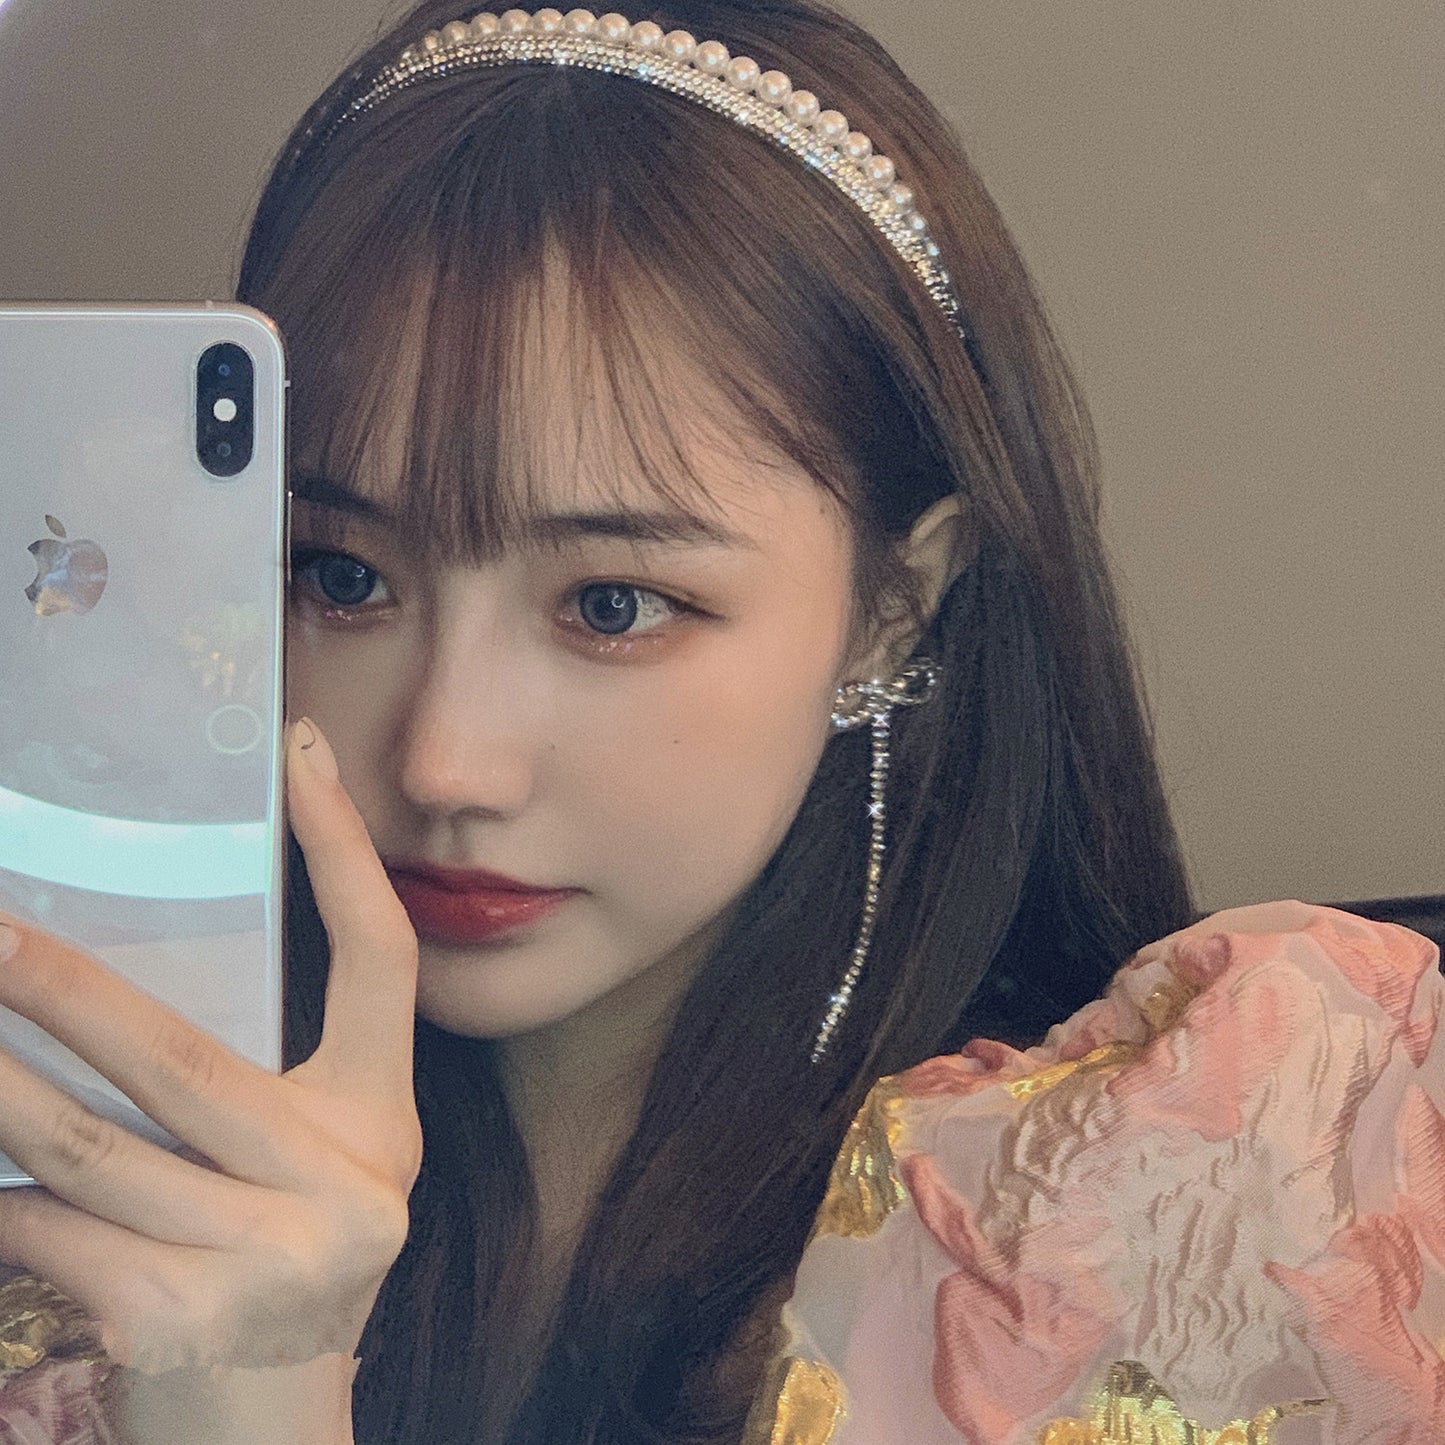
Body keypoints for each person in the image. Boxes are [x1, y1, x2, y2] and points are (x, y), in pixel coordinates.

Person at [0, 2, 1441, 1441]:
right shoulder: (91, 1185)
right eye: (341, 575)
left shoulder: (1164, 1203)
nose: (445, 761)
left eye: (612, 604)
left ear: (892, 605)